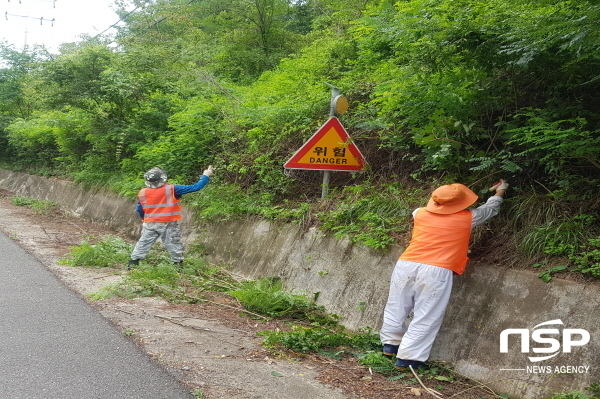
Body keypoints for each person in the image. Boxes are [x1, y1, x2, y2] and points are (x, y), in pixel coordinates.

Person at [380, 179, 509, 370]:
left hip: (406, 263)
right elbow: (491, 208)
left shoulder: (419, 213)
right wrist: (501, 190)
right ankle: (409, 359)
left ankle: (390, 345)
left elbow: (434, 210)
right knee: (427, 313)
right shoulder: (469, 217)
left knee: (397, 305)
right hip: (436, 269)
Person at [128, 165, 214, 270]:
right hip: (168, 223)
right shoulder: (173, 189)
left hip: (149, 223)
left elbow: (140, 209)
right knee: (173, 244)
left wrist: (145, 219)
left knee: (143, 243)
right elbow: (196, 187)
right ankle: (177, 267)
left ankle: (132, 265)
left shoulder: (143, 192)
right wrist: (206, 175)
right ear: (162, 178)